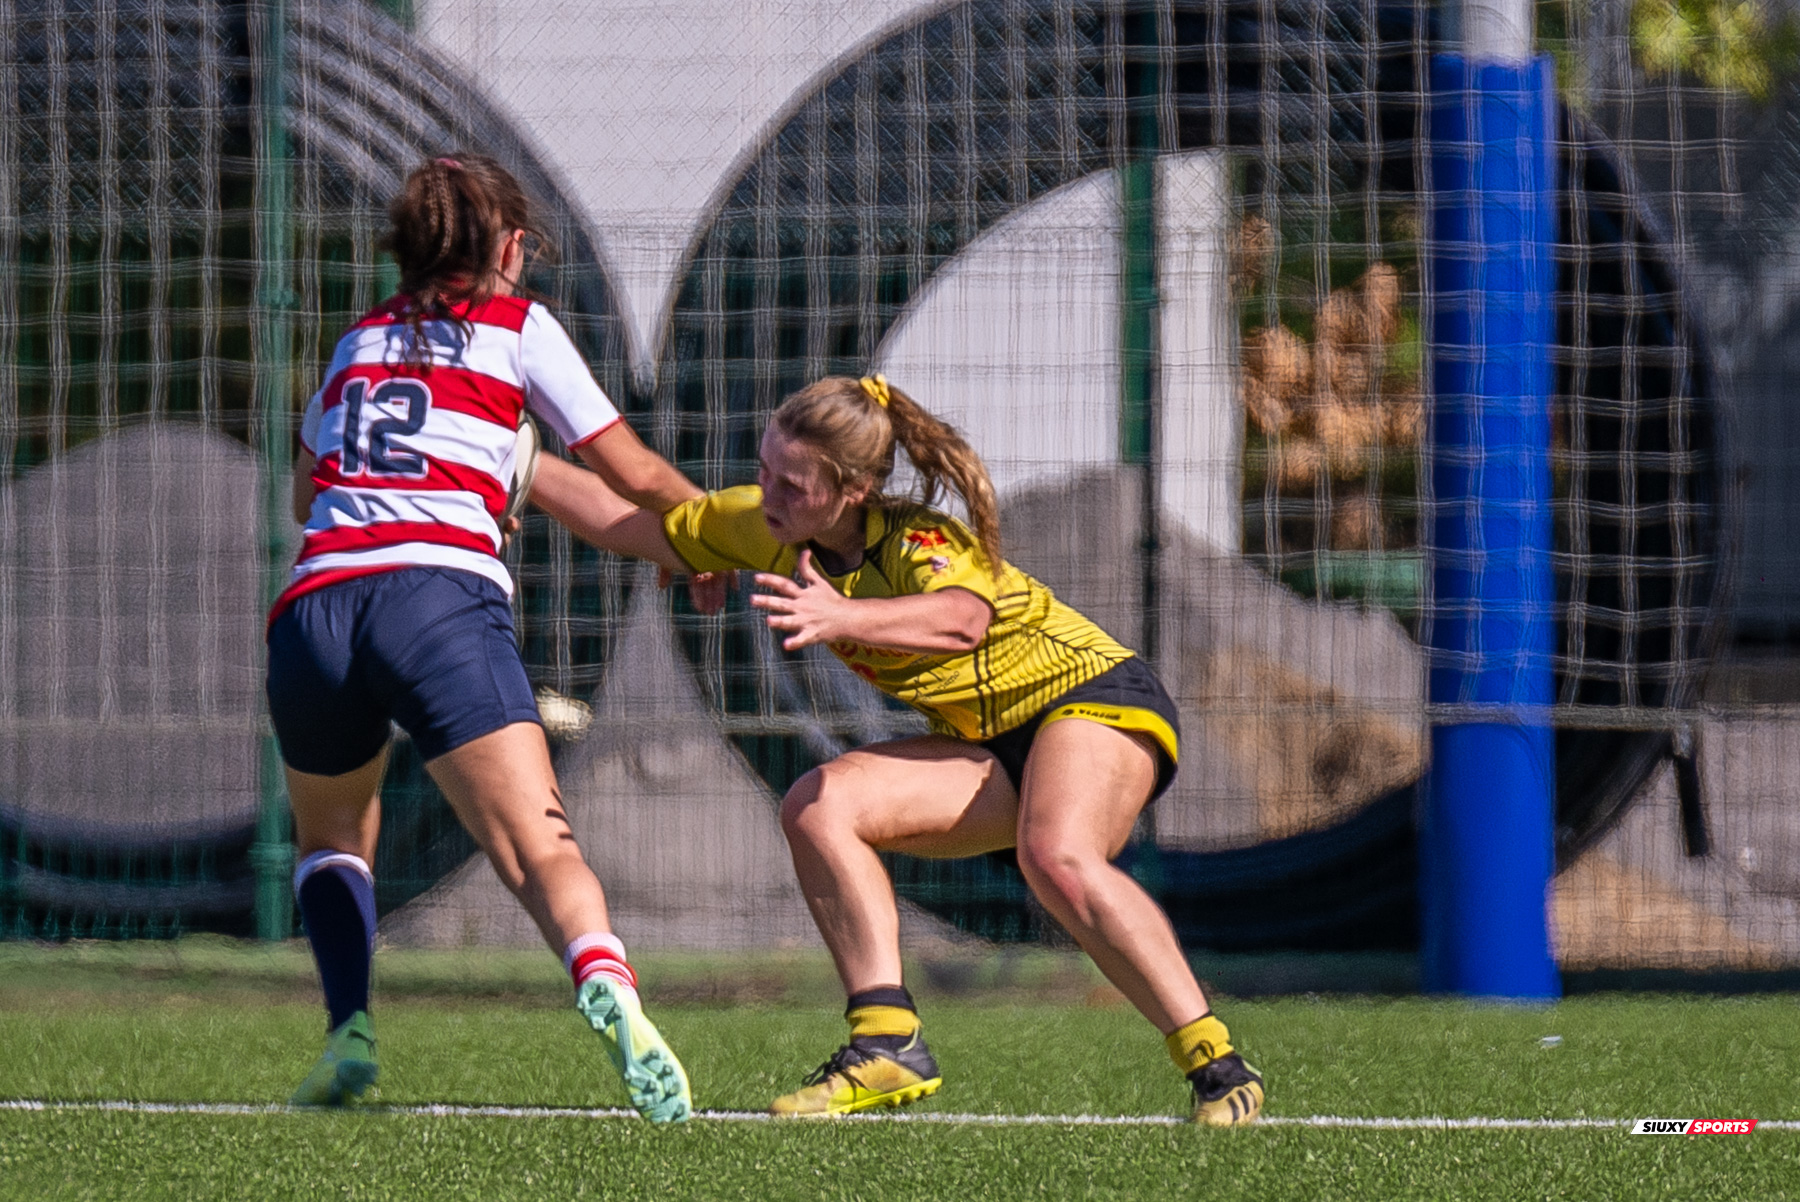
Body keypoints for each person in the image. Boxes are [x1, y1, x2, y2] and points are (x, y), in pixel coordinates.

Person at [528, 373, 1265, 1126]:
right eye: (764, 471)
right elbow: (636, 525)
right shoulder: (769, 525)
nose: (769, 494)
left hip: (1088, 697)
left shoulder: (920, 539)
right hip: (986, 739)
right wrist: (513, 462)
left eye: (793, 484)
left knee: (1056, 857)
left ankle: (1218, 1066)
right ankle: (887, 1044)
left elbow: (962, 620)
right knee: (818, 806)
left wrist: (844, 617)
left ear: (854, 490)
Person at [269, 152, 707, 1122]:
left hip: (318, 610)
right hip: (436, 601)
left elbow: (308, 495)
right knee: (536, 846)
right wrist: (711, 537)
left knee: (332, 835)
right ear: (510, 247)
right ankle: (609, 986)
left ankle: (350, 1033)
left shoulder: (357, 341)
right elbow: (630, 473)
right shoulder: (518, 328)